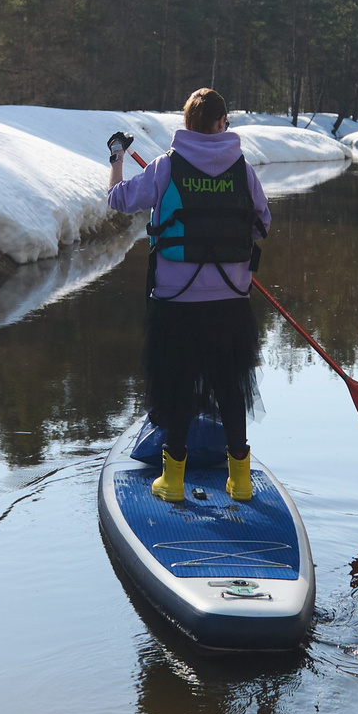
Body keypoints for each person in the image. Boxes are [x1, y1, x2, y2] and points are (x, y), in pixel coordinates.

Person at [106, 89, 271, 502]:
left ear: (187, 124)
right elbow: (262, 224)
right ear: (221, 123)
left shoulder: (166, 166)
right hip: (231, 300)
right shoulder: (243, 169)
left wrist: (117, 160)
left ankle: (173, 481)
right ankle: (240, 481)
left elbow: (118, 199)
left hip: (177, 302)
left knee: (178, 385)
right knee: (230, 385)